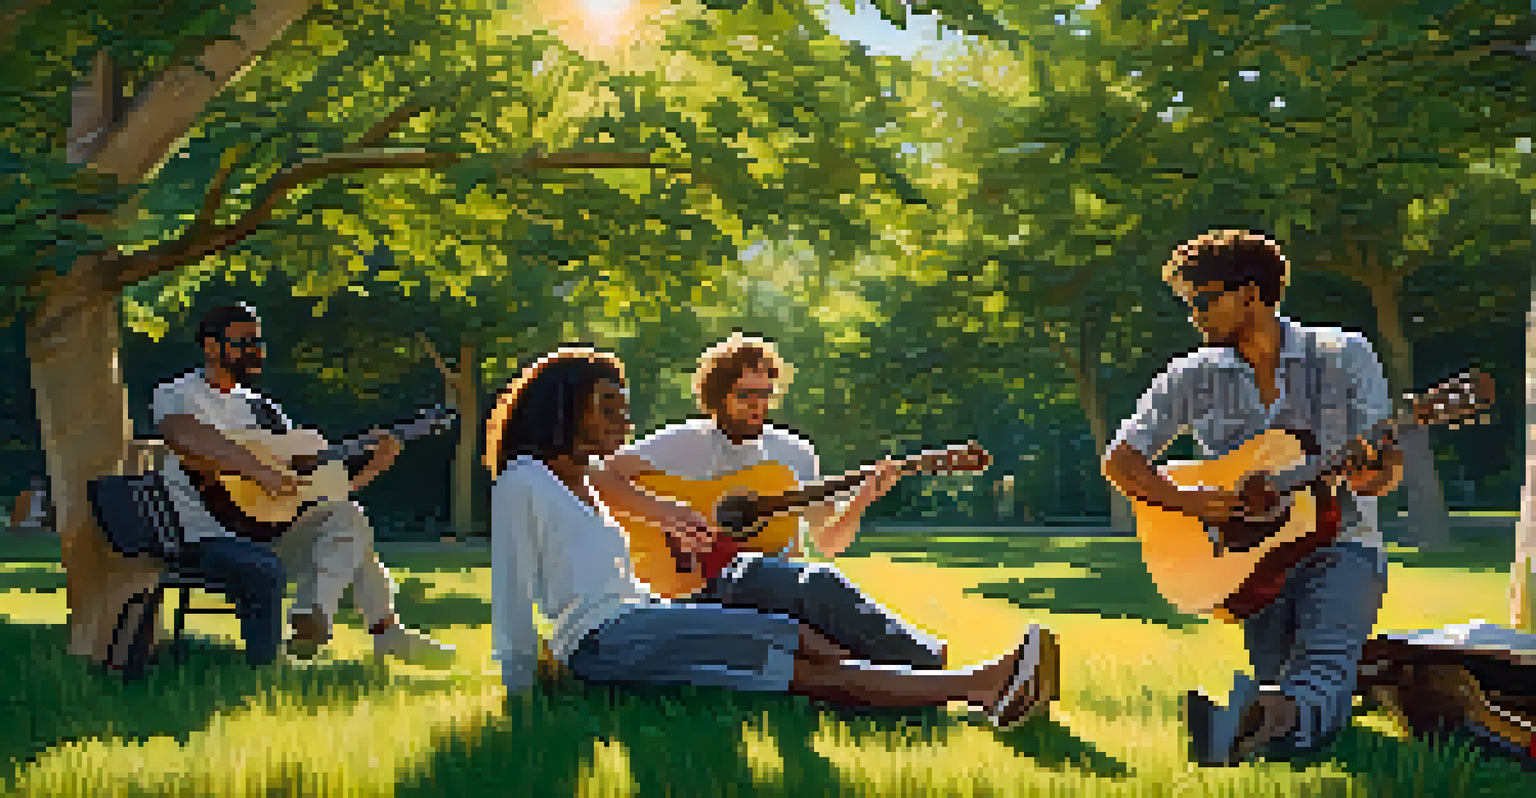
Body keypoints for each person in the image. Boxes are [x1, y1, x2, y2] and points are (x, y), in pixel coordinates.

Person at [488, 346, 1056, 725]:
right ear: (565, 409)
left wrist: (860, 499)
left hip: (638, 619)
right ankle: (981, 684)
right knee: (791, 650)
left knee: (797, 642)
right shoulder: (525, 481)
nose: (626, 422)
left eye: (625, 408)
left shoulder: (581, 484)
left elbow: (826, 541)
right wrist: (521, 694)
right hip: (606, 638)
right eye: (607, 407)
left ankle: (970, 686)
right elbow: (513, 595)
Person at [1101, 230, 1404, 764]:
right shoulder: (1191, 374)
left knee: (1322, 663)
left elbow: (1384, 474)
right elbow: (1120, 461)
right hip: (1252, 568)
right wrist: (1195, 504)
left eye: (1203, 299)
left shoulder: (1342, 354)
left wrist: (1368, 473)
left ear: (1251, 295)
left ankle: (1251, 722)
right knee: (1284, 680)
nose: (1194, 315)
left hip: (1343, 545)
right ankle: (1277, 714)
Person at [589, 333, 967, 672]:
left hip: (770, 586)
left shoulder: (795, 455)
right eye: (745, 395)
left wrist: (861, 500)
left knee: (823, 609)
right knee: (816, 583)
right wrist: (666, 513)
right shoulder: (683, 442)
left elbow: (829, 543)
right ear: (717, 396)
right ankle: (932, 662)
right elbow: (596, 476)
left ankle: (912, 678)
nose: (757, 406)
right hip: (695, 583)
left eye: (764, 395)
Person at [153, 302, 454, 668]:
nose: (255, 350)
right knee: (355, 538)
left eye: (258, 341)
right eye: (243, 341)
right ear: (211, 347)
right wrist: (258, 471)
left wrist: (375, 465)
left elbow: (311, 491)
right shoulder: (180, 393)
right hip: (207, 537)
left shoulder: (264, 409)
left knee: (347, 517)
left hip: (268, 531)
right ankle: (386, 632)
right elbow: (184, 436)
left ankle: (313, 615)